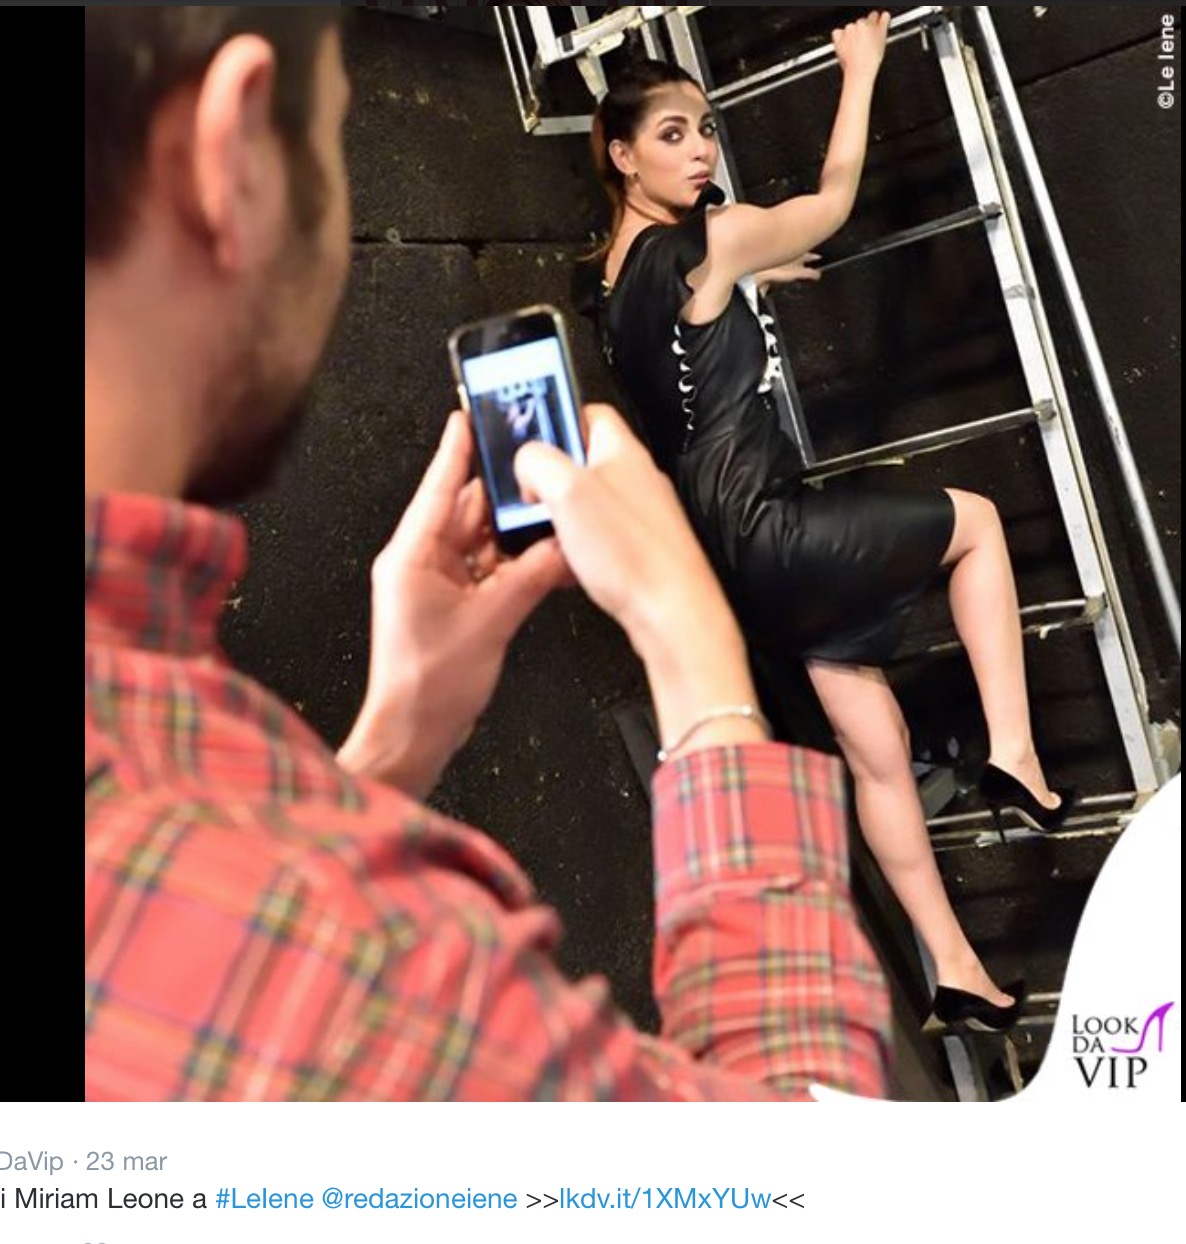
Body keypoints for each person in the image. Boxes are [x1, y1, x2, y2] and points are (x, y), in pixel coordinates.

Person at [85, 6, 889, 1100]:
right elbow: (814, 1156)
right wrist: (699, 660)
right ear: (233, 162)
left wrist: (392, 745)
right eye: (331, 144)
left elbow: (219, 920)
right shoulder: (355, 984)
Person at [588, 12, 1072, 1037]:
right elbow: (834, 203)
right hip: (773, 525)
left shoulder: (612, 283)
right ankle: (1015, 754)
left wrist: (749, 280)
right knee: (978, 524)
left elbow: (684, 330)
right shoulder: (713, 237)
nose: (701, 149)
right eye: (672, 134)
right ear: (621, 155)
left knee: (876, 744)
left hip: (727, 564)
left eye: (705, 129)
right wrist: (859, 71)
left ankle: (956, 972)